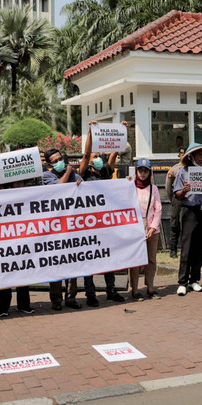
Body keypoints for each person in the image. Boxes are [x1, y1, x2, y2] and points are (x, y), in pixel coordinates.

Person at [76, 120, 127, 305]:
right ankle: (90, 294)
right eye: (95, 156)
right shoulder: (83, 173)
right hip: (89, 224)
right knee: (89, 258)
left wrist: (121, 131)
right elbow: (86, 152)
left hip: (105, 222)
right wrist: (90, 132)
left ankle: (111, 290)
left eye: (99, 155)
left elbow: (114, 153)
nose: (98, 157)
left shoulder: (105, 171)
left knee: (108, 256)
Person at [0, 166, 35, 315]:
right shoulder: (2, 192)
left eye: (22, 181)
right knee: (4, 273)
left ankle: (24, 305)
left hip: (23, 239)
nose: (19, 184)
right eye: (16, 181)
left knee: (23, 273)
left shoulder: (28, 193)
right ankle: (2, 308)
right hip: (4, 240)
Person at [42, 148, 83, 310]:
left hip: (72, 226)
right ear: (49, 164)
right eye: (55, 161)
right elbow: (58, 188)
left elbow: (86, 189)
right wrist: (68, 172)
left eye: (61, 159)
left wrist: (79, 184)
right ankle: (56, 300)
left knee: (72, 263)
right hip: (56, 229)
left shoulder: (74, 175)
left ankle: (71, 298)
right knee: (56, 264)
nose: (60, 162)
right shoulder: (47, 176)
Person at [172, 142, 202, 295]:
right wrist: (185, 190)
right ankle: (182, 282)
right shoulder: (183, 172)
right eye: (199, 154)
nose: (201, 157)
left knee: (200, 247)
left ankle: (194, 280)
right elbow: (177, 195)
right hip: (189, 211)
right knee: (187, 247)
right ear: (191, 156)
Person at [128, 158, 161, 299]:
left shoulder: (154, 189)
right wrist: (126, 181)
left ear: (149, 172)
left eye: (145, 171)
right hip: (135, 228)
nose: (142, 173)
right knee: (135, 260)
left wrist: (152, 228)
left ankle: (150, 287)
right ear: (136, 171)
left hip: (151, 228)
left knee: (151, 259)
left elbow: (158, 209)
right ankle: (135, 289)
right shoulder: (130, 187)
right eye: (140, 170)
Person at [166, 147, 185, 258]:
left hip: (189, 199)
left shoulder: (193, 168)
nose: (184, 156)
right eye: (182, 154)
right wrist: (172, 200)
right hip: (177, 199)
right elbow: (168, 187)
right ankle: (173, 250)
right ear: (179, 156)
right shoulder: (174, 169)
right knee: (175, 224)